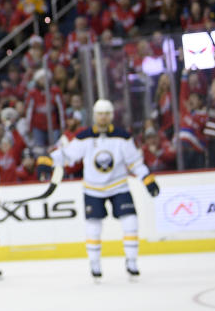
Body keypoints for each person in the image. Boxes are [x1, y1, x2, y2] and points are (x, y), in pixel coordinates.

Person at [38, 99, 159, 279]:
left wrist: (147, 179)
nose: (103, 117)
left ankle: (131, 262)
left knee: (131, 222)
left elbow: (134, 162)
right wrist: (48, 160)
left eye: (106, 114)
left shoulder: (122, 137)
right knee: (93, 228)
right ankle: (95, 264)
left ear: (111, 115)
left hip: (118, 186)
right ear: (95, 116)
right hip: (93, 189)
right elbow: (68, 155)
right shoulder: (85, 136)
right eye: (100, 114)